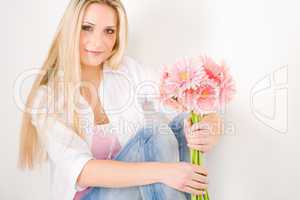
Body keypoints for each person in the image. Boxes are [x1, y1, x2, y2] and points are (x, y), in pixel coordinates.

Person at [18, 0, 222, 199]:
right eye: (87, 28)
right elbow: (82, 170)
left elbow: (182, 105)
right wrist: (164, 172)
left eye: (109, 31)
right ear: (71, 29)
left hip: (138, 193)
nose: (98, 42)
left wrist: (210, 125)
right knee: (153, 134)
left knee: (183, 125)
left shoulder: (127, 70)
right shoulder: (46, 98)